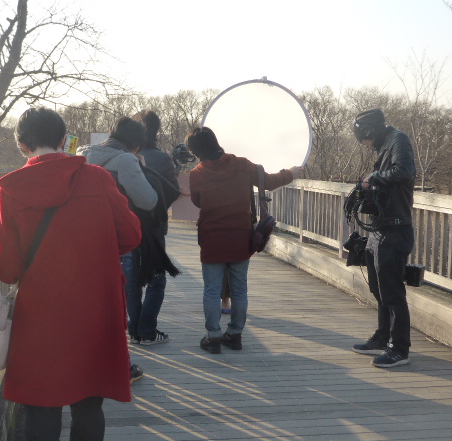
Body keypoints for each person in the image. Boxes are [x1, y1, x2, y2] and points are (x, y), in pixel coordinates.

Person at [0, 107, 141, 441]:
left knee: (41, 408)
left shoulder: (12, 191)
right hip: (95, 310)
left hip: (40, 317)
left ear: (21, 144)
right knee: (89, 406)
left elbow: (7, 268)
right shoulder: (97, 179)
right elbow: (131, 236)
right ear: (63, 140)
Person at [186, 126, 304, 354]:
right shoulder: (241, 164)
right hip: (240, 235)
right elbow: (268, 181)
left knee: (211, 290)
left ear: (195, 150)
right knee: (239, 289)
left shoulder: (197, 173)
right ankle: (235, 334)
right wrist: (291, 172)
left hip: (212, 237)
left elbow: (198, 202)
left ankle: (212, 337)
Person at [80, 117, 179, 347]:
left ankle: (134, 332)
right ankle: (143, 332)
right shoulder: (126, 160)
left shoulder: (83, 155)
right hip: (122, 232)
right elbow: (148, 201)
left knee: (113, 288)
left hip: (89, 235)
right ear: (136, 146)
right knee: (135, 280)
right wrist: (142, 169)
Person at [350, 108, 416, 368]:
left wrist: (373, 177)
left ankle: (399, 349)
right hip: (381, 228)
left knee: (392, 292)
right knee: (378, 289)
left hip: (396, 229)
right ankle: (382, 337)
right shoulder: (386, 144)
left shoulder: (398, 140)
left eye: (364, 140)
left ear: (370, 132)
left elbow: (404, 171)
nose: (365, 145)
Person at [128, 110, 181, 345]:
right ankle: (148, 331)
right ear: (157, 130)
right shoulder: (162, 158)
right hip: (154, 228)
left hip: (128, 225)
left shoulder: (123, 155)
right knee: (156, 279)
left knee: (131, 278)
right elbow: (172, 192)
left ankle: (134, 329)